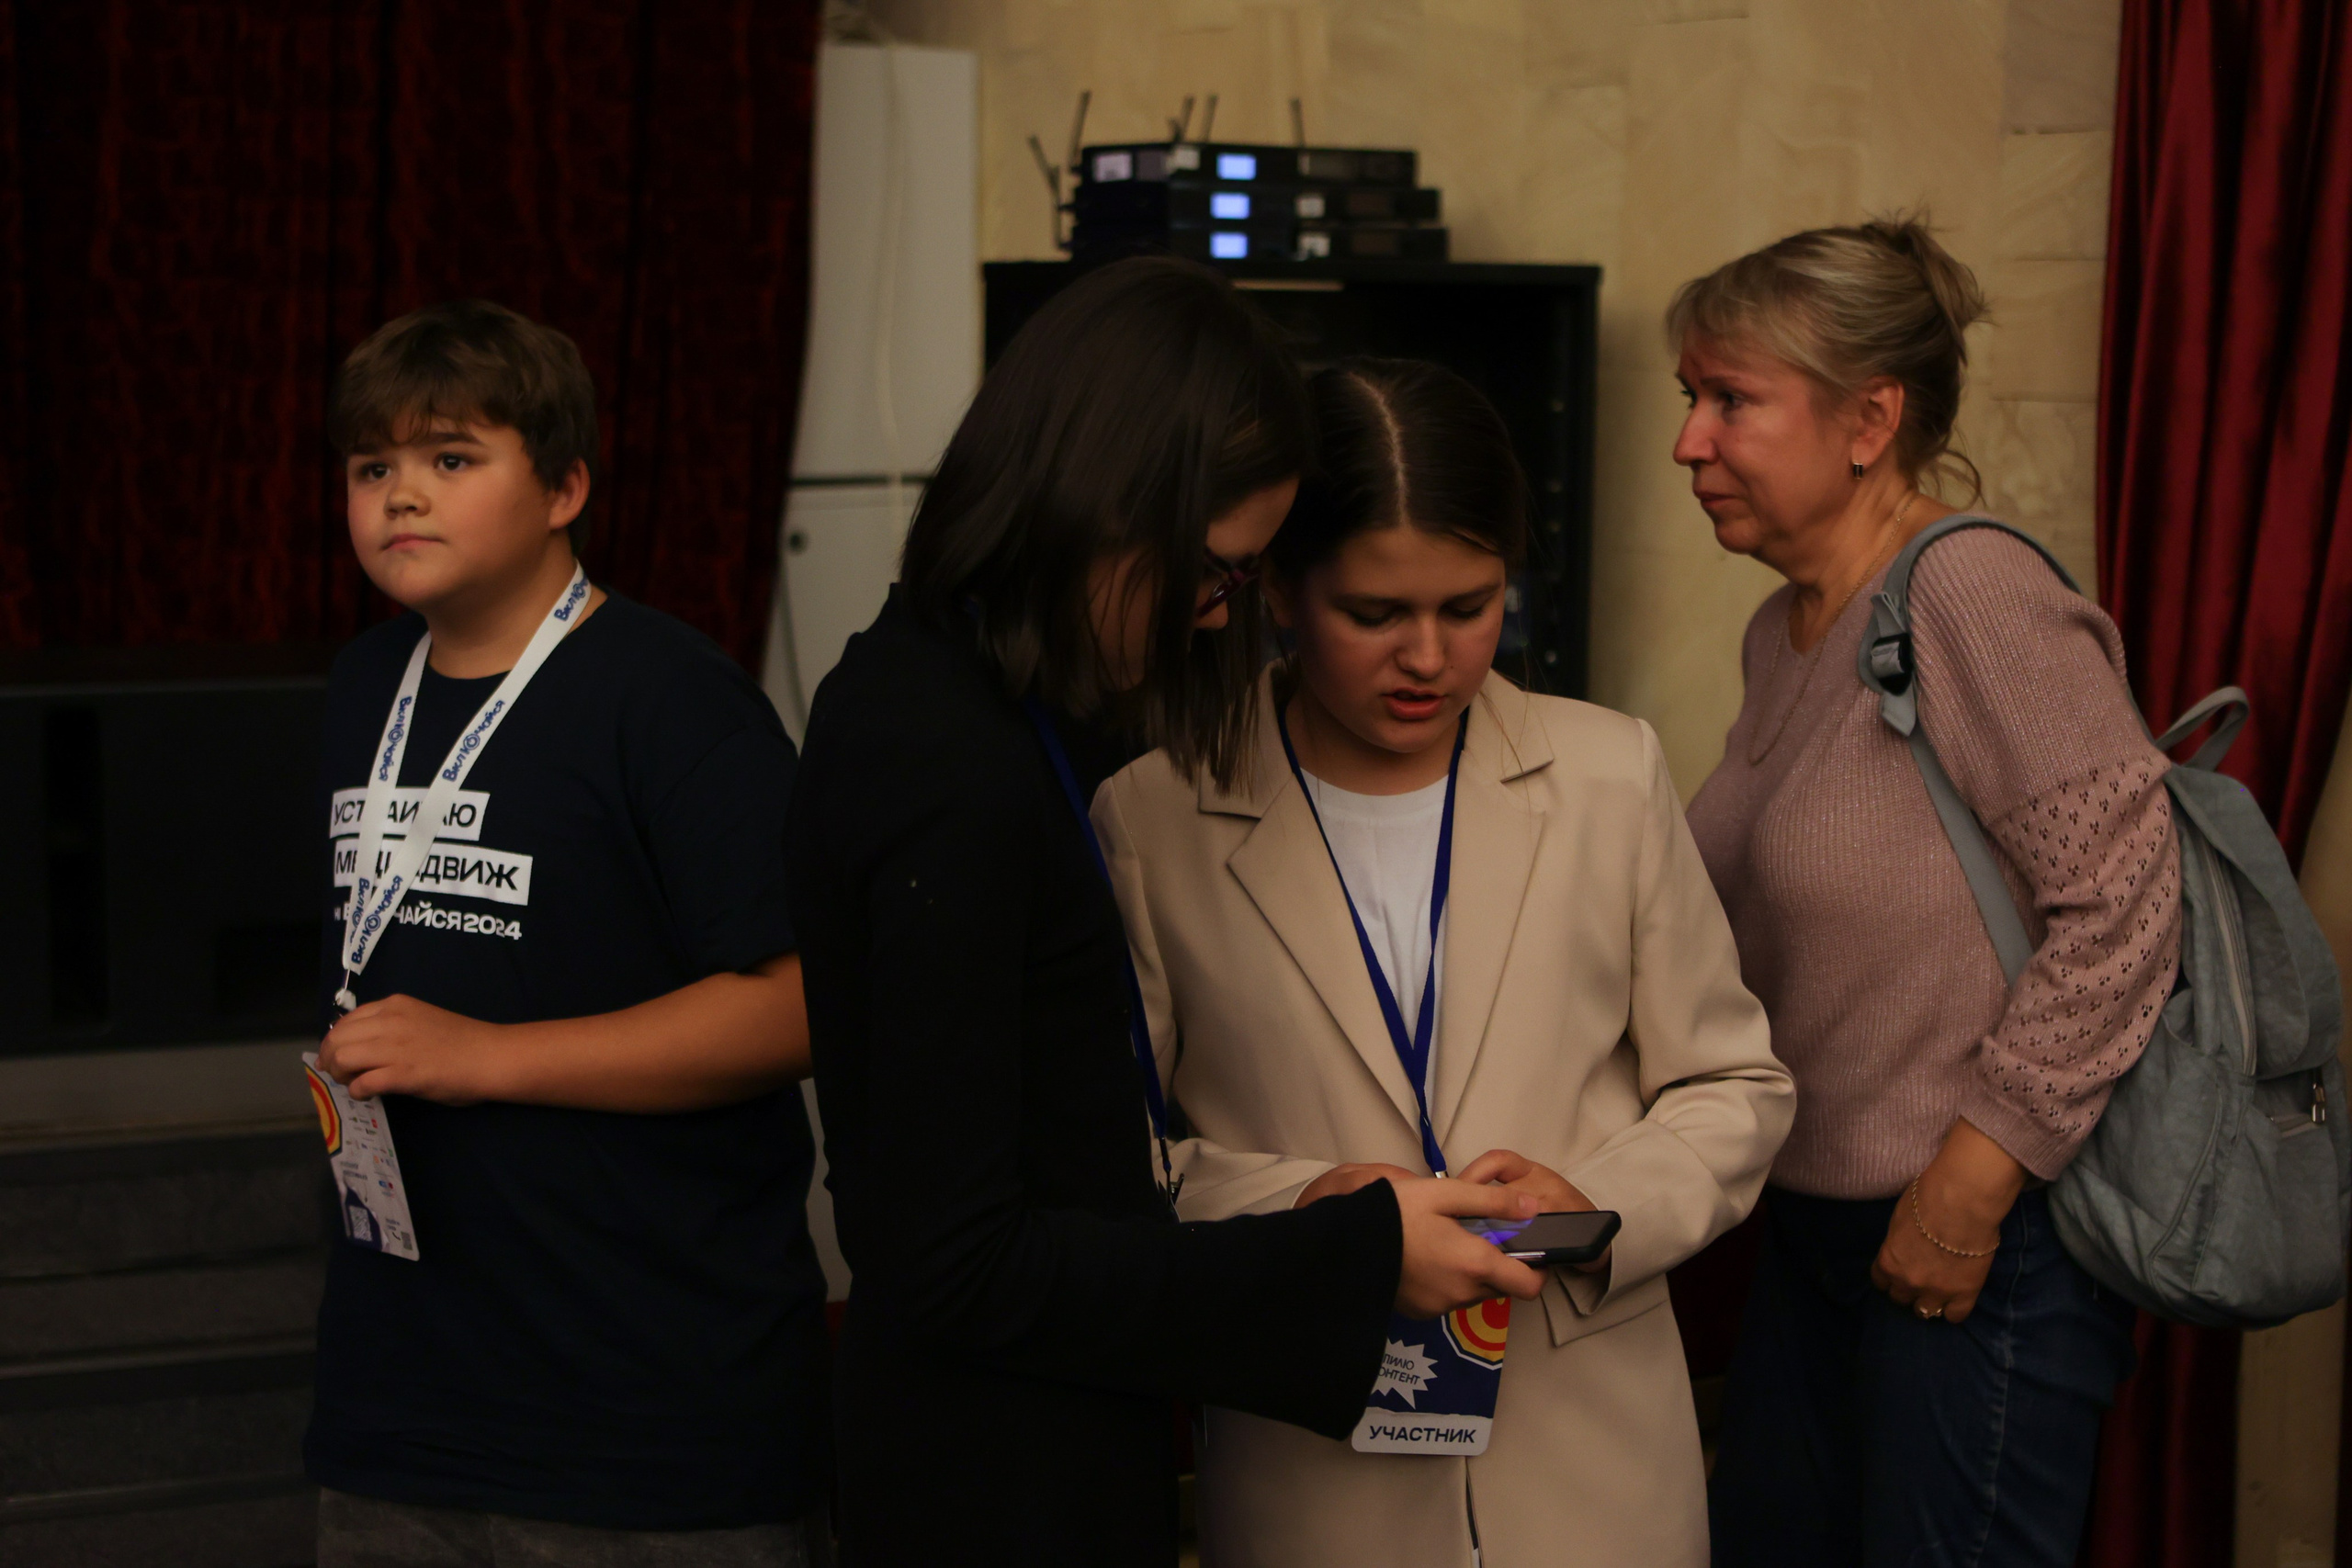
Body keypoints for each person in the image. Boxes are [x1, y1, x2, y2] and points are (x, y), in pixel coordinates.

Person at [782, 260, 1550, 1567]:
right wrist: (1356, 1255)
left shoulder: (972, 700)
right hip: (993, 1482)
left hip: (1048, 1437)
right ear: (1102, 499)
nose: (1213, 614)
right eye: (1214, 570)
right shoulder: (948, 765)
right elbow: (959, 1264)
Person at [1091, 357, 1792, 1567]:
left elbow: (1736, 1087)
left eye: (1470, 607)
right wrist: (1315, 1214)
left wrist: (1599, 1201)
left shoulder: (1607, 773)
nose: (1428, 656)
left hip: (1595, 1466)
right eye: (1376, 614)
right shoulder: (1155, 816)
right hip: (1318, 1472)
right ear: (1278, 594)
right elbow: (1118, 1167)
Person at [1674, 219, 2184, 1565]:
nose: (1690, 443)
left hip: (1983, 1248)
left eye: (1731, 401)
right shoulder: (1783, 632)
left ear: (1868, 421)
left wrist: (1975, 1179)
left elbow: (2128, 896)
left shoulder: (1971, 589)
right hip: (1815, 1231)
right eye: (1690, 401)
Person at [306, 300, 831, 1567]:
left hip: (644, 1402)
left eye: (450, 459)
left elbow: (798, 1007)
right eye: (374, 468)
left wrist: (487, 1057)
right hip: (403, 1395)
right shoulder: (365, 683)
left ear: (565, 487)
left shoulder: (672, 696)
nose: (401, 499)